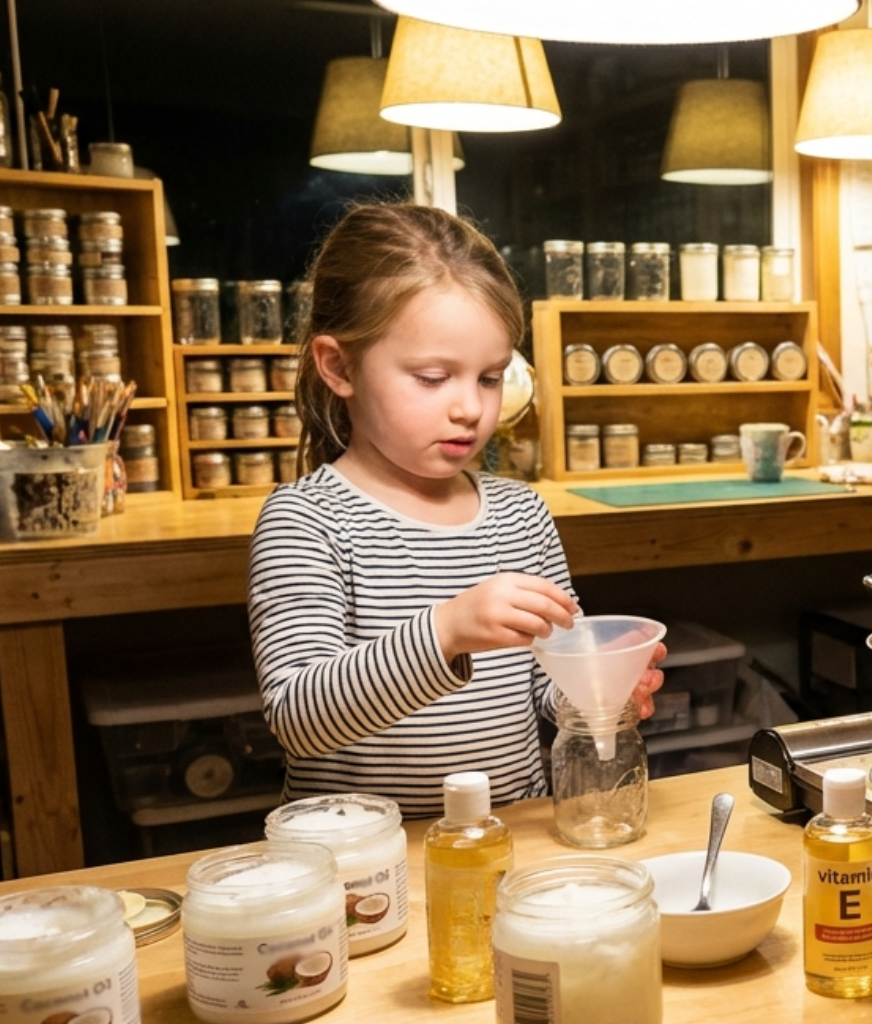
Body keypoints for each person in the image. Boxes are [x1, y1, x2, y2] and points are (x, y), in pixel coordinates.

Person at [247, 203, 662, 816]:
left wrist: (603, 687)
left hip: (505, 837)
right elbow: (299, 718)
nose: (469, 407)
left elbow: (549, 685)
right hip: (364, 865)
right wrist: (446, 632)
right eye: (434, 377)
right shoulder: (306, 521)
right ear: (339, 366)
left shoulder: (521, 515)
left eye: (490, 378)